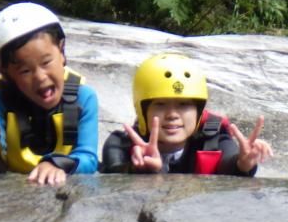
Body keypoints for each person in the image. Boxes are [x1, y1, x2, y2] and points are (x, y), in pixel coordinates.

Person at [0, 2, 98, 185]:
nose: (40, 77)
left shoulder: (84, 98)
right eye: (25, 71)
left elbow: (89, 159)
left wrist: (57, 164)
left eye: (46, 62)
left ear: (61, 52)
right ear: (7, 75)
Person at [100, 53, 272, 175]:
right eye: (160, 104)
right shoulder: (120, 144)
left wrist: (243, 164)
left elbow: (230, 163)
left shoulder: (213, 140)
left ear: (198, 111)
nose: (172, 114)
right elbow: (114, 173)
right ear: (142, 110)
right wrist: (139, 170)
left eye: (184, 105)